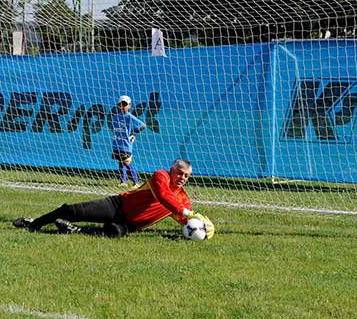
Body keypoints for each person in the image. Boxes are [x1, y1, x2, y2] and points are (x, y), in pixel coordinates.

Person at [12, 159, 215, 239]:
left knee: (113, 232)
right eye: (180, 173)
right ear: (172, 170)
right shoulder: (160, 176)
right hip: (116, 205)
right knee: (71, 210)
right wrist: (187, 213)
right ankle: (34, 223)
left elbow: (185, 222)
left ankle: (75, 230)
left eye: (186, 176)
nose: (182, 178)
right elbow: (164, 197)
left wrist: (205, 230)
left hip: (129, 224)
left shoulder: (184, 200)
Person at [111, 95, 146, 188]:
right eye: (121, 104)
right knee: (121, 163)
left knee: (127, 162)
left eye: (125, 104)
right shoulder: (115, 117)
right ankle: (123, 181)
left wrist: (134, 133)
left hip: (126, 145)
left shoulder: (130, 117)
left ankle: (136, 182)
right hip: (117, 144)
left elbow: (143, 125)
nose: (123, 106)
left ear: (129, 105)